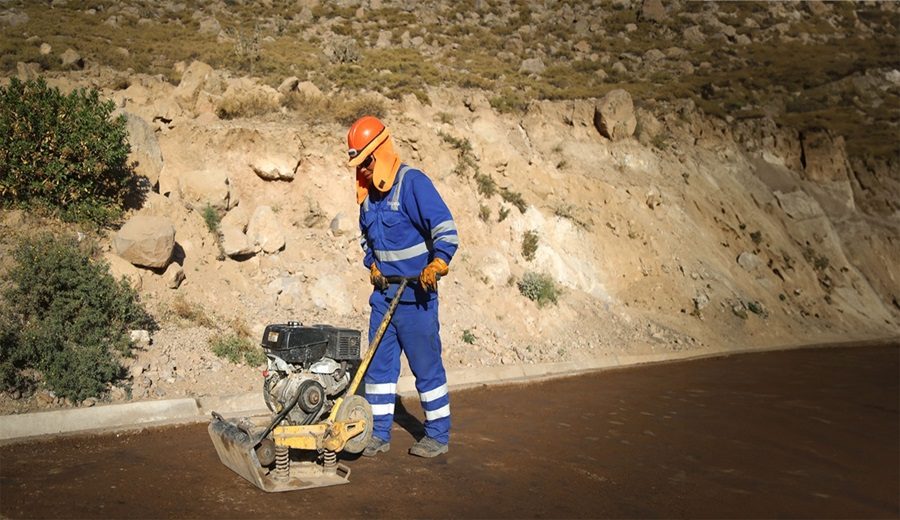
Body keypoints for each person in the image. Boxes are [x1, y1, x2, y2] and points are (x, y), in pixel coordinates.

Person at [347, 115, 459, 458]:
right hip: (384, 297)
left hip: (416, 297)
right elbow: (366, 239)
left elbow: (445, 228)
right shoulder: (368, 198)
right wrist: (372, 263)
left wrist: (438, 262)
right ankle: (379, 434)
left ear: (380, 153)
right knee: (379, 370)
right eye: (358, 164)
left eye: (366, 161)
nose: (363, 169)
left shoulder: (413, 184)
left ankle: (437, 435)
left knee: (426, 368)